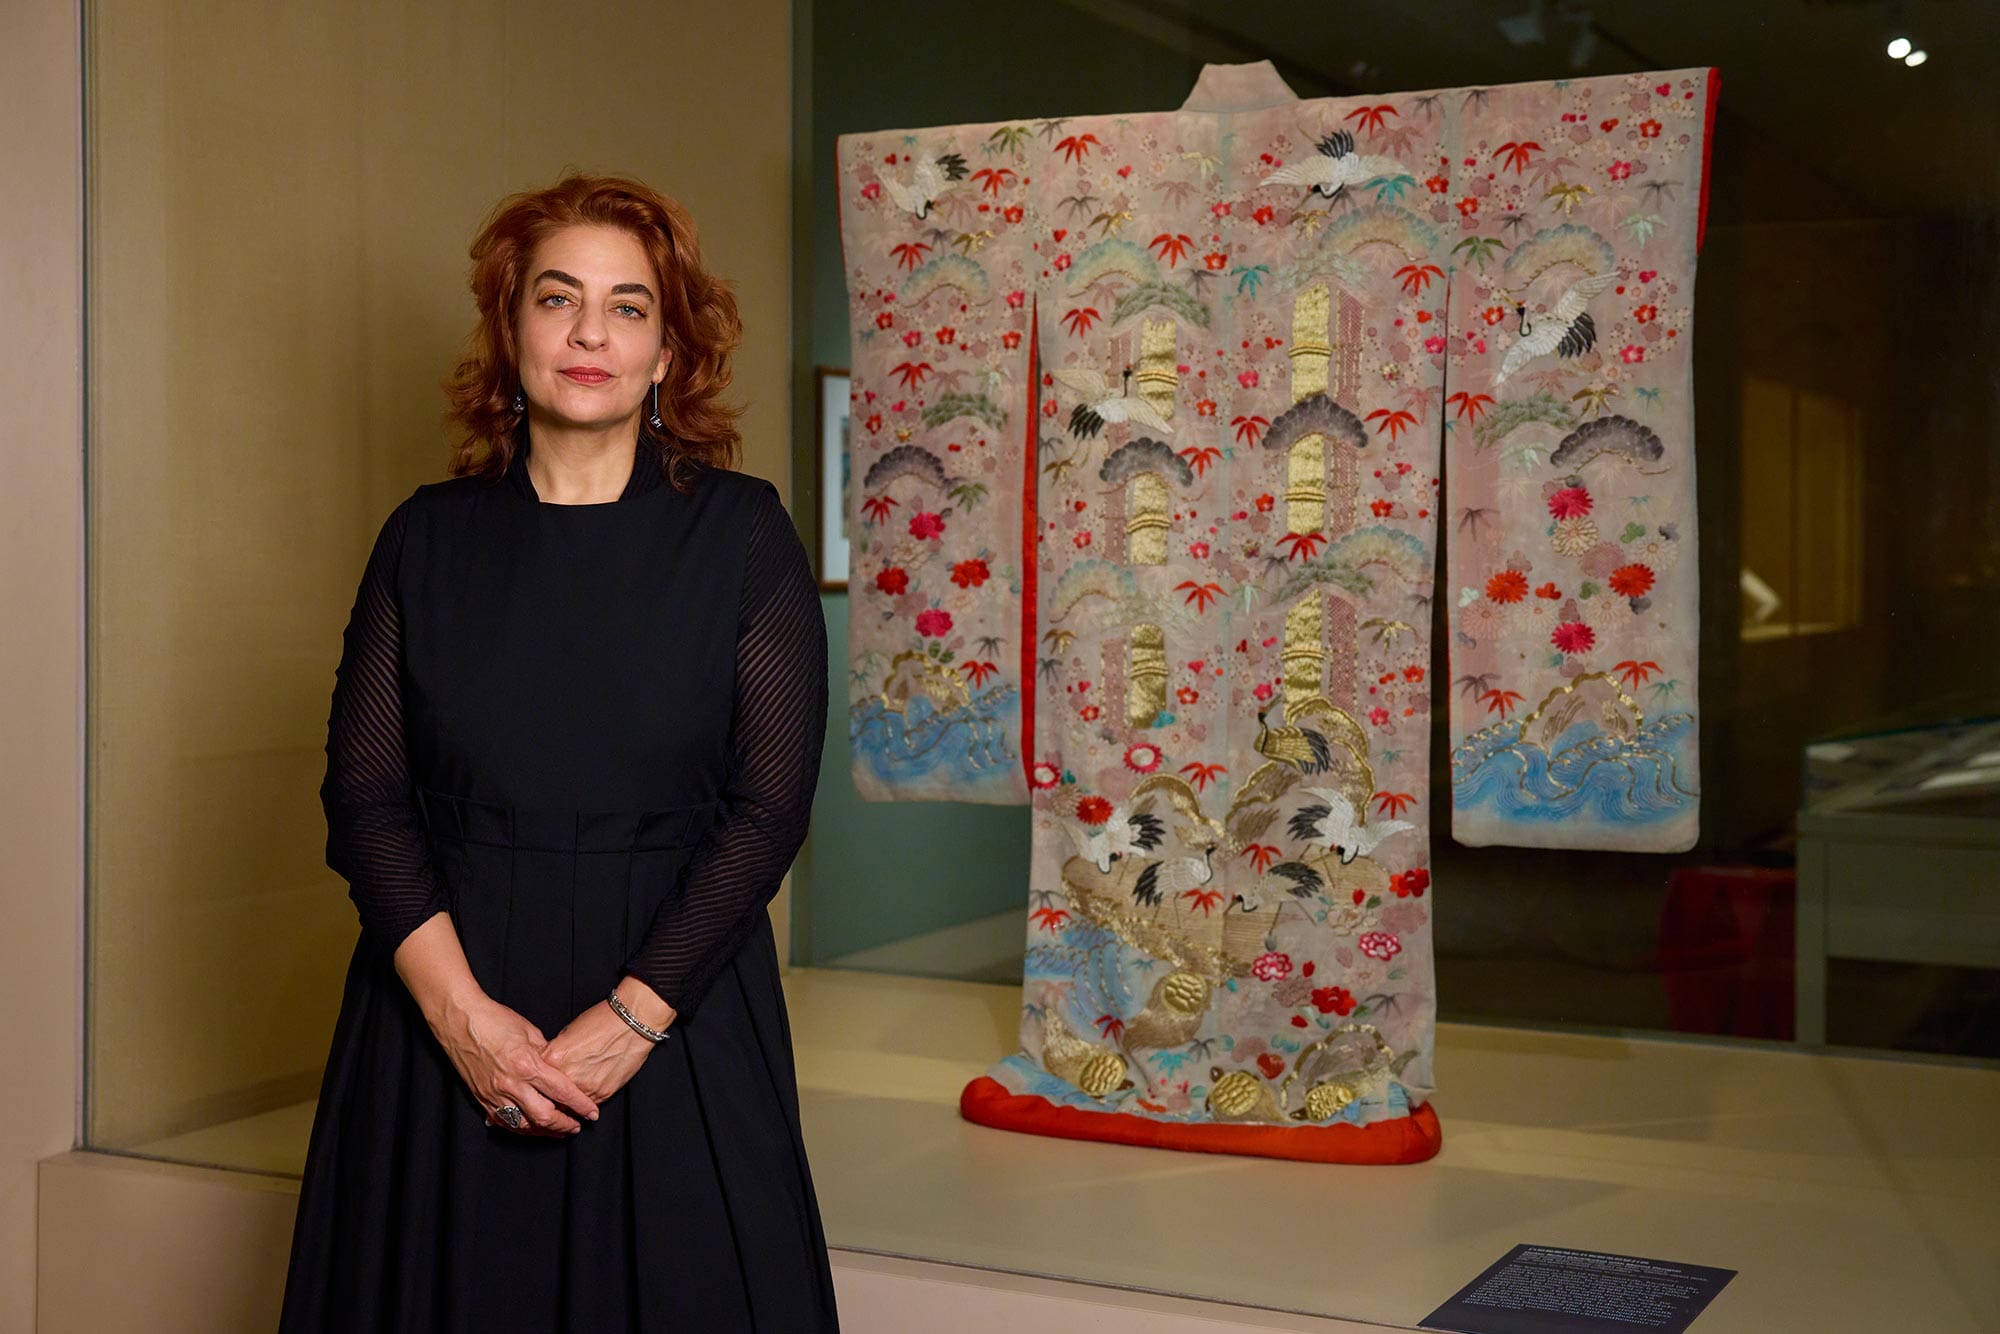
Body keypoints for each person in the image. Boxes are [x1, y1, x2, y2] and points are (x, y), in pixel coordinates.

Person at [278, 174, 839, 1331]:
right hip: (442, 1014)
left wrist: (630, 1020)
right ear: (510, 326)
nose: (590, 333)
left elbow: (768, 806)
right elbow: (365, 798)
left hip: (674, 1014)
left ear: (670, 353)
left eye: (630, 307)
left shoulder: (742, 532)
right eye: (558, 297)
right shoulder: (423, 536)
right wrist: (461, 1021)